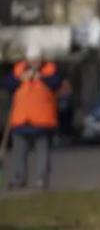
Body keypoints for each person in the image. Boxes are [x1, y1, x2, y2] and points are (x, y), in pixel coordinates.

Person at [3, 47, 62, 190]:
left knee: (42, 153)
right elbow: (8, 84)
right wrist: (20, 78)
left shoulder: (50, 70)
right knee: (19, 154)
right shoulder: (18, 70)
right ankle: (19, 180)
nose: (34, 62)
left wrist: (41, 78)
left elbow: (56, 83)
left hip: (42, 122)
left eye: (37, 59)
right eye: (32, 59)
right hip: (21, 121)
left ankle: (41, 180)